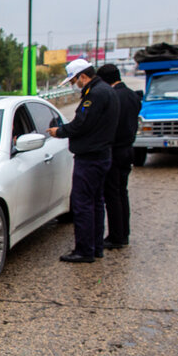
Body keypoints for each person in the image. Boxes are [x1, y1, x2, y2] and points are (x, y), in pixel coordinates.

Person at [47, 58, 119, 263]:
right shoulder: (107, 91)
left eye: (74, 80)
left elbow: (81, 125)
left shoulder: (94, 95)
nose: (74, 84)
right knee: (96, 203)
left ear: (83, 76)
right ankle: (95, 248)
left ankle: (84, 250)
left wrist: (58, 131)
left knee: (83, 204)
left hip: (90, 159)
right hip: (102, 155)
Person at [96, 64, 141, 249]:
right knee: (122, 192)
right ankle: (124, 233)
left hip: (115, 150)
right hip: (128, 149)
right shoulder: (132, 95)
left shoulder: (114, 97)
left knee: (112, 194)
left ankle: (116, 236)